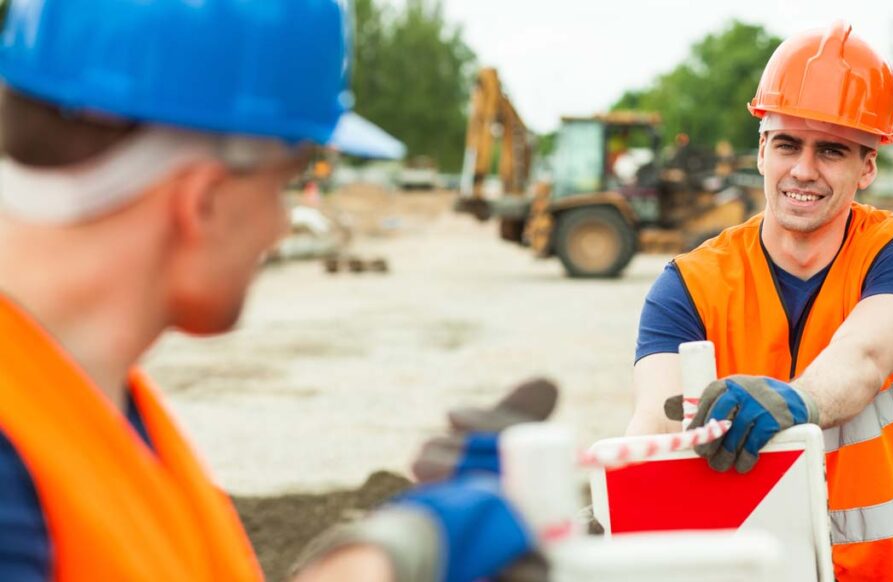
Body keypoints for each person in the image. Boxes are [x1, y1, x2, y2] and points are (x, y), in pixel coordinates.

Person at [0, 1, 540, 580]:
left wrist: (379, 554)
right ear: (203, 200)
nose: (280, 227)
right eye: (286, 185)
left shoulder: (89, 401)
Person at [627, 21, 893, 581]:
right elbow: (656, 423)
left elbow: (865, 356)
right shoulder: (688, 286)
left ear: (867, 166)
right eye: (787, 144)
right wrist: (620, 505)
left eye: (831, 150)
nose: (804, 169)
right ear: (761, 150)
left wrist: (794, 402)